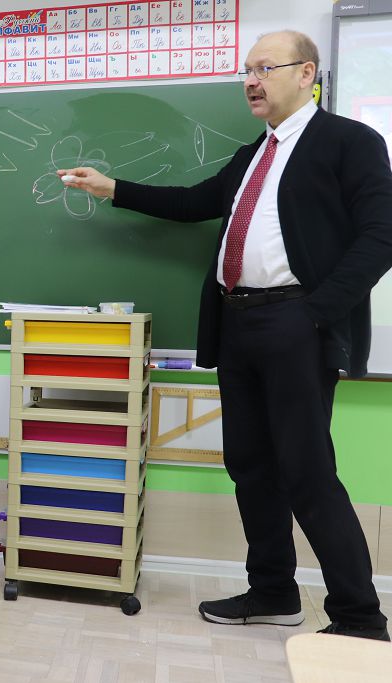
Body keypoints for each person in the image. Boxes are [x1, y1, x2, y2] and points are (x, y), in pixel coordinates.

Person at [59, 30, 392, 641]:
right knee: (250, 466)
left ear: (306, 73)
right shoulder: (251, 155)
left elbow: (382, 235)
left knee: (307, 471)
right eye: (247, 71)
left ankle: (359, 617)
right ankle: (273, 592)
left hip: (298, 322)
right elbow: (194, 202)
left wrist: (317, 313)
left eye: (265, 68)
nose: (251, 82)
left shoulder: (349, 142)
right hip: (238, 323)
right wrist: (112, 188)